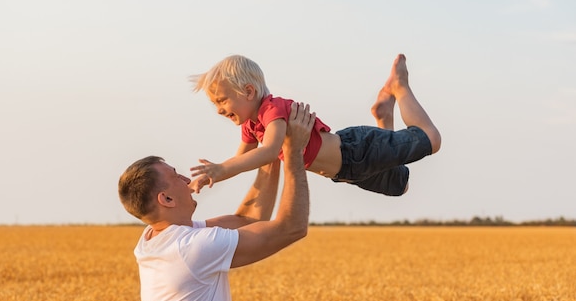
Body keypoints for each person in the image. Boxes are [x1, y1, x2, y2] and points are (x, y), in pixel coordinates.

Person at [118, 102, 315, 301]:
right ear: (167, 200)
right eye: (175, 176)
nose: (184, 178)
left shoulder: (154, 239)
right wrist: (293, 151)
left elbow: (247, 219)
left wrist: (270, 148)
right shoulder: (189, 249)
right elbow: (292, 228)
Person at [189, 53, 441, 196]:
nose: (219, 110)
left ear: (248, 91)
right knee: (401, 186)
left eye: (222, 100)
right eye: (215, 104)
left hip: (357, 150)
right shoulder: (252, 125)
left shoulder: (272, 109)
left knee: (431, 139)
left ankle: (399, 87)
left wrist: (219, 169)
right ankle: (383, 115)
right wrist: (206, 179)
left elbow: (267, 152)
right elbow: (241, 162)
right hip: (345, 173)